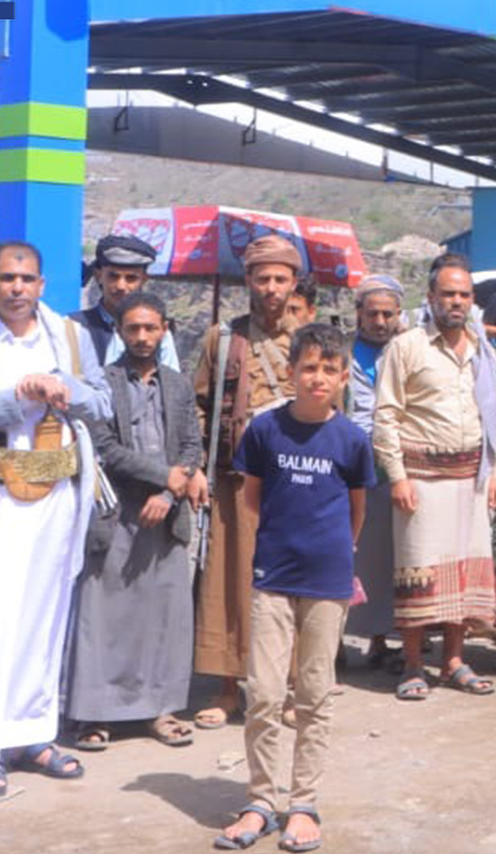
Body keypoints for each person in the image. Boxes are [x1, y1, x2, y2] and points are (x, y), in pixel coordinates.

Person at [0, 241, 110, 796]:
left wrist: (64, 386)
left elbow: (102, 403)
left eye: (27, 279)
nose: (17, 288)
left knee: (42, 617)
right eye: (7, 278)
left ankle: (32, 734)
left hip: (56, 495)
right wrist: (20, 395)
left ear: (42, 285)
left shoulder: (70, 336)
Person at [215, 323, 374, 854]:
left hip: (328, 581)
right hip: (274, 578)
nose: (317, 378)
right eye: (308, 368)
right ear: (291, 372)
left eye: (329, 369)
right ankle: (260, 801)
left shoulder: (352, 440)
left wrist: (337, 555)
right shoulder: (265, 431)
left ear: (344, 377)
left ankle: (303, 804)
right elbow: (254, 499)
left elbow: (356, 511)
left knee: (314, 693)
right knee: (263, 693)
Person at [66, 290, 205, 752]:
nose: (142, 336)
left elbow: (191, 446)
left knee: (163, 614)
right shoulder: (102, 382)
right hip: (116, 510)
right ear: (120, 331)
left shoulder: (178, 384)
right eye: (133, 328)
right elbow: (104, 448)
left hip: (165, 512)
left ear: (165, 330)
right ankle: (95, 714)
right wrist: (162, 476)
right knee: (105, 613)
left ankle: (161, 710)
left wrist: (168, 492)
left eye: (151, 328)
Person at [373, 261, 496, 700]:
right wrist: (398, 477)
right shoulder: (407, 347)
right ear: (431, 298)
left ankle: (453, 661)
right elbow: (386, 415)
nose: (456, 302)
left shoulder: (482, 350)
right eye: (448, 294)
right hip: (422, 480)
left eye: (464, 295)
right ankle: (414, 665)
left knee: (463, 577)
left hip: (472, 478)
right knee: (418, 574)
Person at [191, 235, 301, 729]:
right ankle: (227, 688)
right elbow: (200, 405)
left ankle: (288, 687)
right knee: (231, 581)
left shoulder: (309, 340)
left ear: (293, 283)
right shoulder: (222, 339)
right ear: (249, 282)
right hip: (236, 479)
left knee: (291, 584)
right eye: (263, 278)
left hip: (295, 483)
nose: (271, 288)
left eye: (280, 278)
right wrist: (199, 464)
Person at [345, 275, 405, 667]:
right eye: (373, 314)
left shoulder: (408, 352)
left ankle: (381, 640)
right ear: (359, 314)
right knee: (344, 553)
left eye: (388, 314)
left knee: (384, 555)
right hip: (344, 465)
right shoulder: (341, 351)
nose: (380, 322)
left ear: (399, 315)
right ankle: (334, 644)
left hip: (389, 465)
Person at [71, 233, 179, 370]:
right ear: (99, 276)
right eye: (113, 276)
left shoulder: (157, 331)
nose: (121, 286)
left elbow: (171, 379)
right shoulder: (75, 327)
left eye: (131, 278)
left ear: (144, 280)